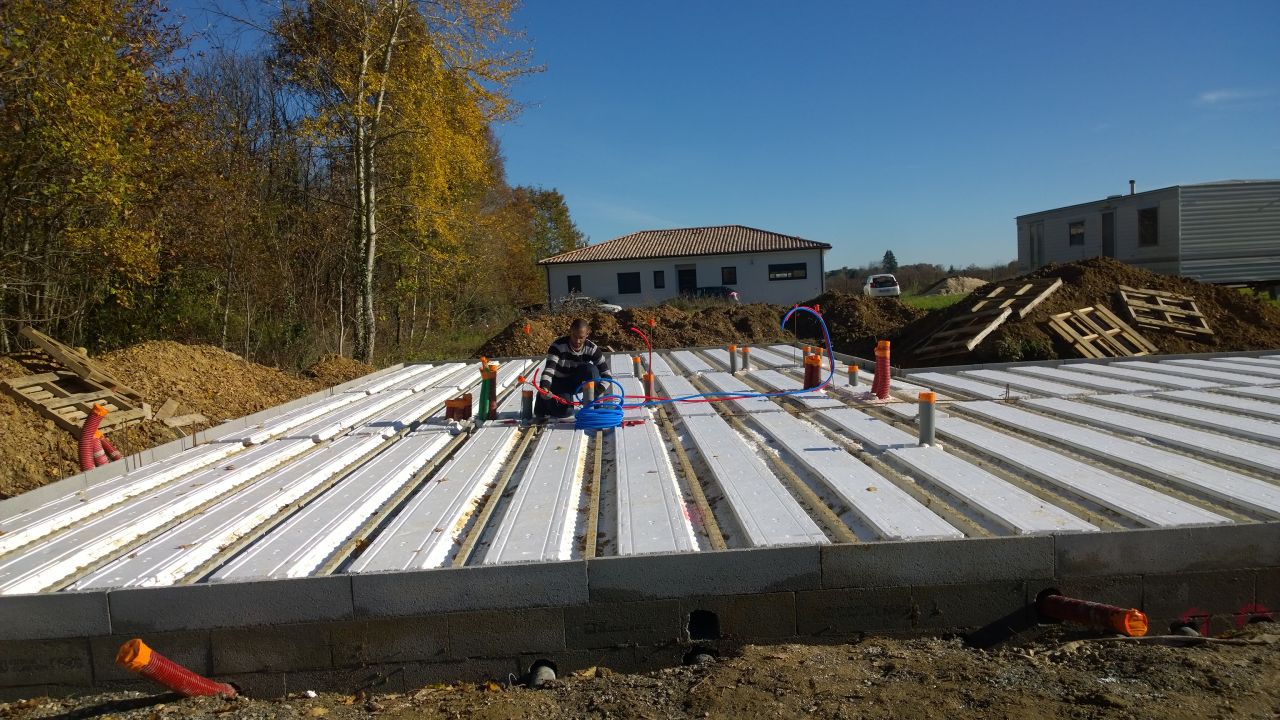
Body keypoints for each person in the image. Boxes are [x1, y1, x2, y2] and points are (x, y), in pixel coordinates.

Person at [536, 318, 612, 418]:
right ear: (570, 332)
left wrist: (596, 392)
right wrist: (545, 387)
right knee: (566, 412)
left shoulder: (592, 349)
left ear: (587, 335)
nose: (577, 341)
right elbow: (549, 370)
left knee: (592, 370)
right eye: (574, 336)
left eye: (581, 337)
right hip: (559, 382)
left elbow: (607, 374)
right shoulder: (557, 346)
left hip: (577, 382)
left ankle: (594, 406)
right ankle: (543, 403)